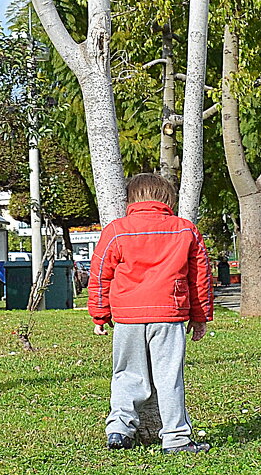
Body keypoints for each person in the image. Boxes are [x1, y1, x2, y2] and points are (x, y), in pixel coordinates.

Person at [88, 173, 213, 454]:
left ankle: (119, 429)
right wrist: (200, 316)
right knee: (169, 377)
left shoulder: (116, 230)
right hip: (170, 314)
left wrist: (99, 314)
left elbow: (99, 275)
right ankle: (176, 438)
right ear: (168, 199)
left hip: (127, 317)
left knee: (126, 374)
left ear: (131, 199)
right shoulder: (185, 229)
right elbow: (200, 278)